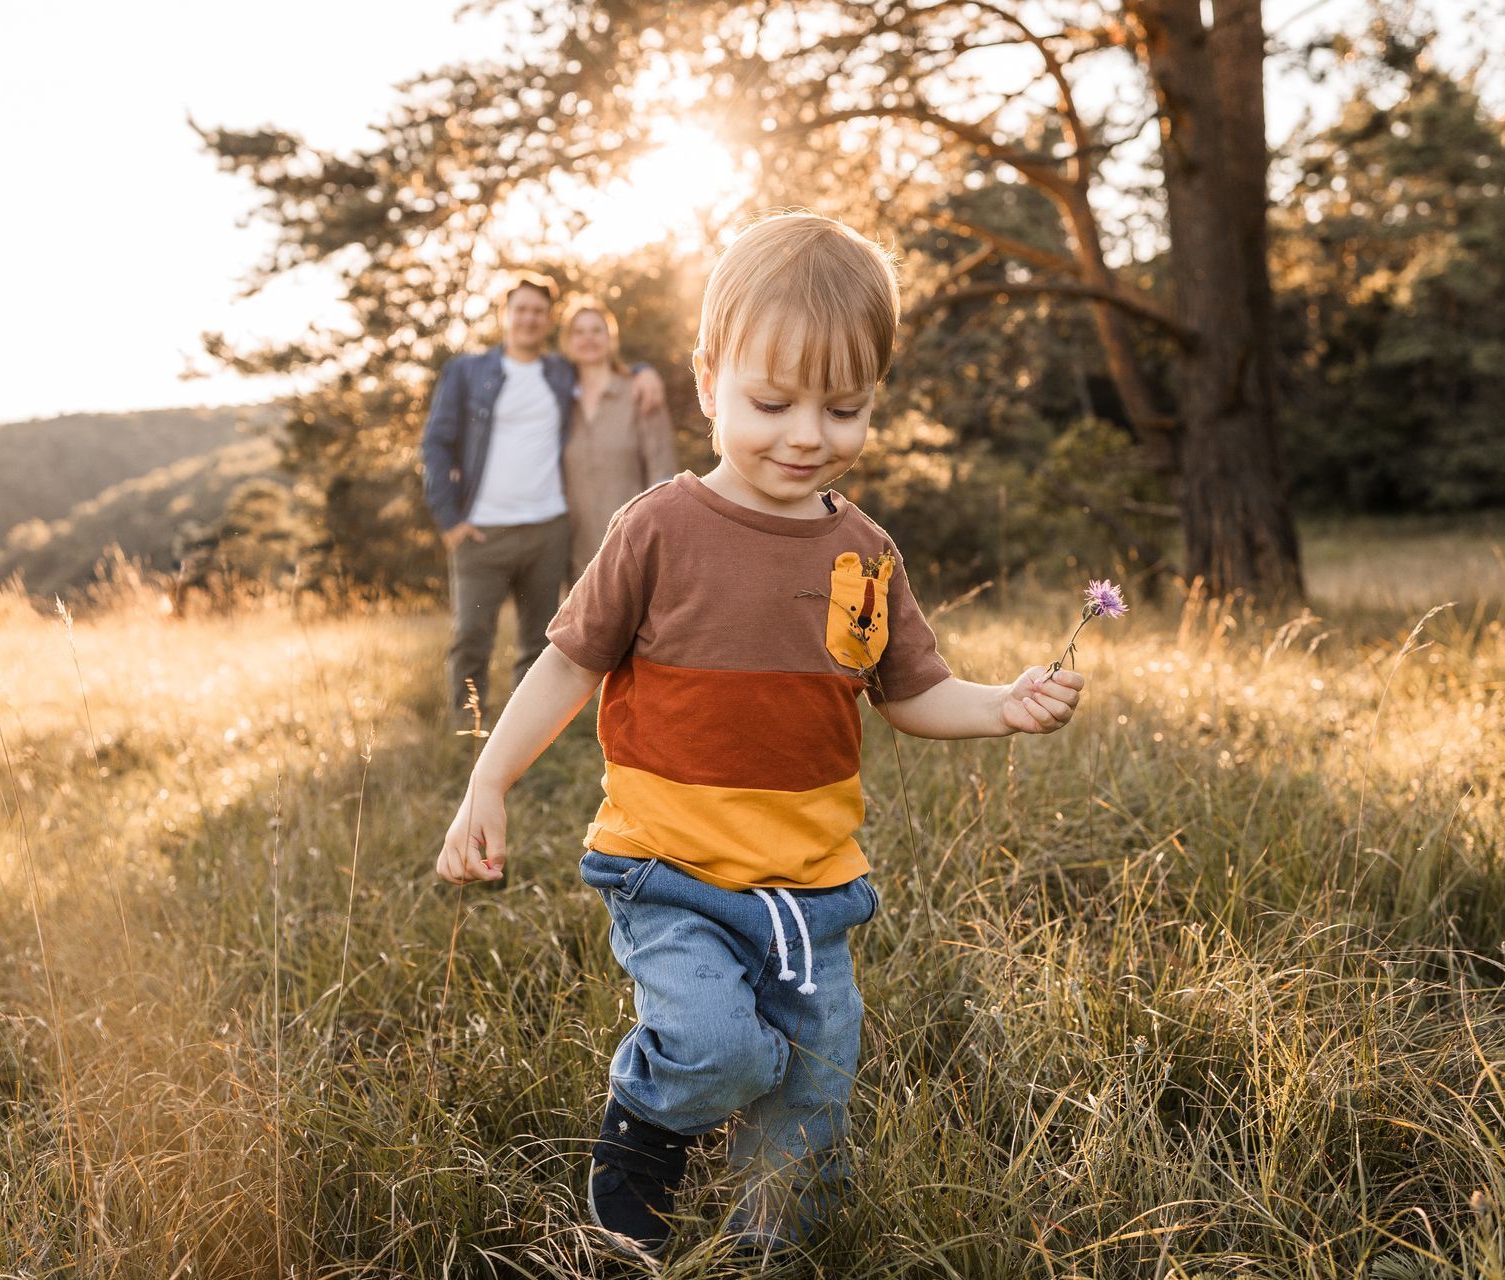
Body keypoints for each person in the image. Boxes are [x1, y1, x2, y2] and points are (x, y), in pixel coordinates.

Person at [431, 213, 1087, 1260]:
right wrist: (489, 780)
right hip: (670, 871)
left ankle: (763, 1246)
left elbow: (910, 692)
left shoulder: (866, 551)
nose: (806, 434)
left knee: (814, 1088)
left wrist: (999, 702)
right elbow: (567, 662)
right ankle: (643, 1136)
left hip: (812, 890)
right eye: (772, 401)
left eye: (846, 406)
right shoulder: (658, 527)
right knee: (719, 1048)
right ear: (706, 380)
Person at [421, 272, 667, 719]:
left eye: (538, 311)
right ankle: (467, 731)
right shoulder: (467, 372)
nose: (529, 319)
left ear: (547, 320)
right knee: (471, 635)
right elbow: (436, 443)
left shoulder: (558, 373)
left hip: (548, 529)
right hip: (482, 532)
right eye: (521, 309)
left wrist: (646, 372)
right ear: (505, 314)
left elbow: (605, 364)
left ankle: (529, 730)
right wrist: (449, 519)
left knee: (539, 641)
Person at [559, 298, 678, 578]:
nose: (588, 338)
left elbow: (663, 474)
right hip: (575, 553)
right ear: (567, 341)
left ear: (611, 339)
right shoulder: (559, 401)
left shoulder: (640, 394)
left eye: (596, 330)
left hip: (633, 548)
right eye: (579, 331)